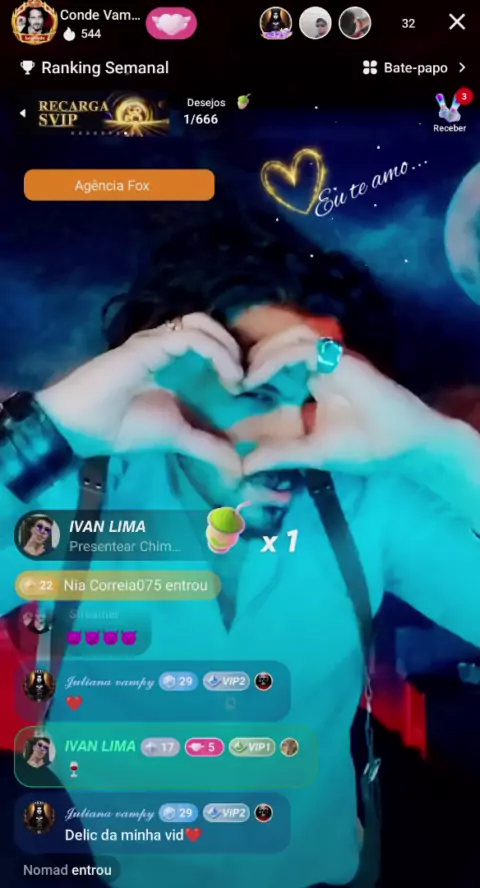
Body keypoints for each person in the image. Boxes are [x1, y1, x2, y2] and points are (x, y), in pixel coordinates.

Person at [0, 204, 479, 888]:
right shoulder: (77, 496)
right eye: (256, 391)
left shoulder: (368, 501)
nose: (292, 430)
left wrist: (439, 452)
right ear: (171, 385)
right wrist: (49, 430)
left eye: (313, 391)